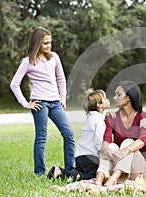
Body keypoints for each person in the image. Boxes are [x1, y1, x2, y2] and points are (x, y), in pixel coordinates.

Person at [10, 27, 75, 176]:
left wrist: (62, 98)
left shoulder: (54, 57)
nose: (48, 46)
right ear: (37, 43)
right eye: (45, 43)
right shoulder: (28, 62)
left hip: (55, 102)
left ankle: (70, 170)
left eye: (50, 42)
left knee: (68, 134)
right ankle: (39, 172)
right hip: (40, 103)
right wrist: (26, 103)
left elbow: (61, 78)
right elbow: (14, 84)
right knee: (41, 137)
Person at [94, 81, 146, 186]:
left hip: (140, 170)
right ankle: (99, 179)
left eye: (119, 94)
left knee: (128, 142)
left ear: (129, 97)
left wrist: (126, 150)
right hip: (121, 166)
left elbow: (143, 139)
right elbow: (107, 137)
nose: (114, 98)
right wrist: (105, 146)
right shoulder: (112, 116)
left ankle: (113, 179)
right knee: (111, 146)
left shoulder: (143, 117)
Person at [47, 90, 110, 182]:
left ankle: (62, 172)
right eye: (105, 98)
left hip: (80, 156)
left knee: (83, 171)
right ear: (99, 104)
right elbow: (99, 142)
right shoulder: (99, 120)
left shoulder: (90, 118)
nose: (108, 100)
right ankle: (68, 174)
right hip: (91, 157)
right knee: (93, 174)